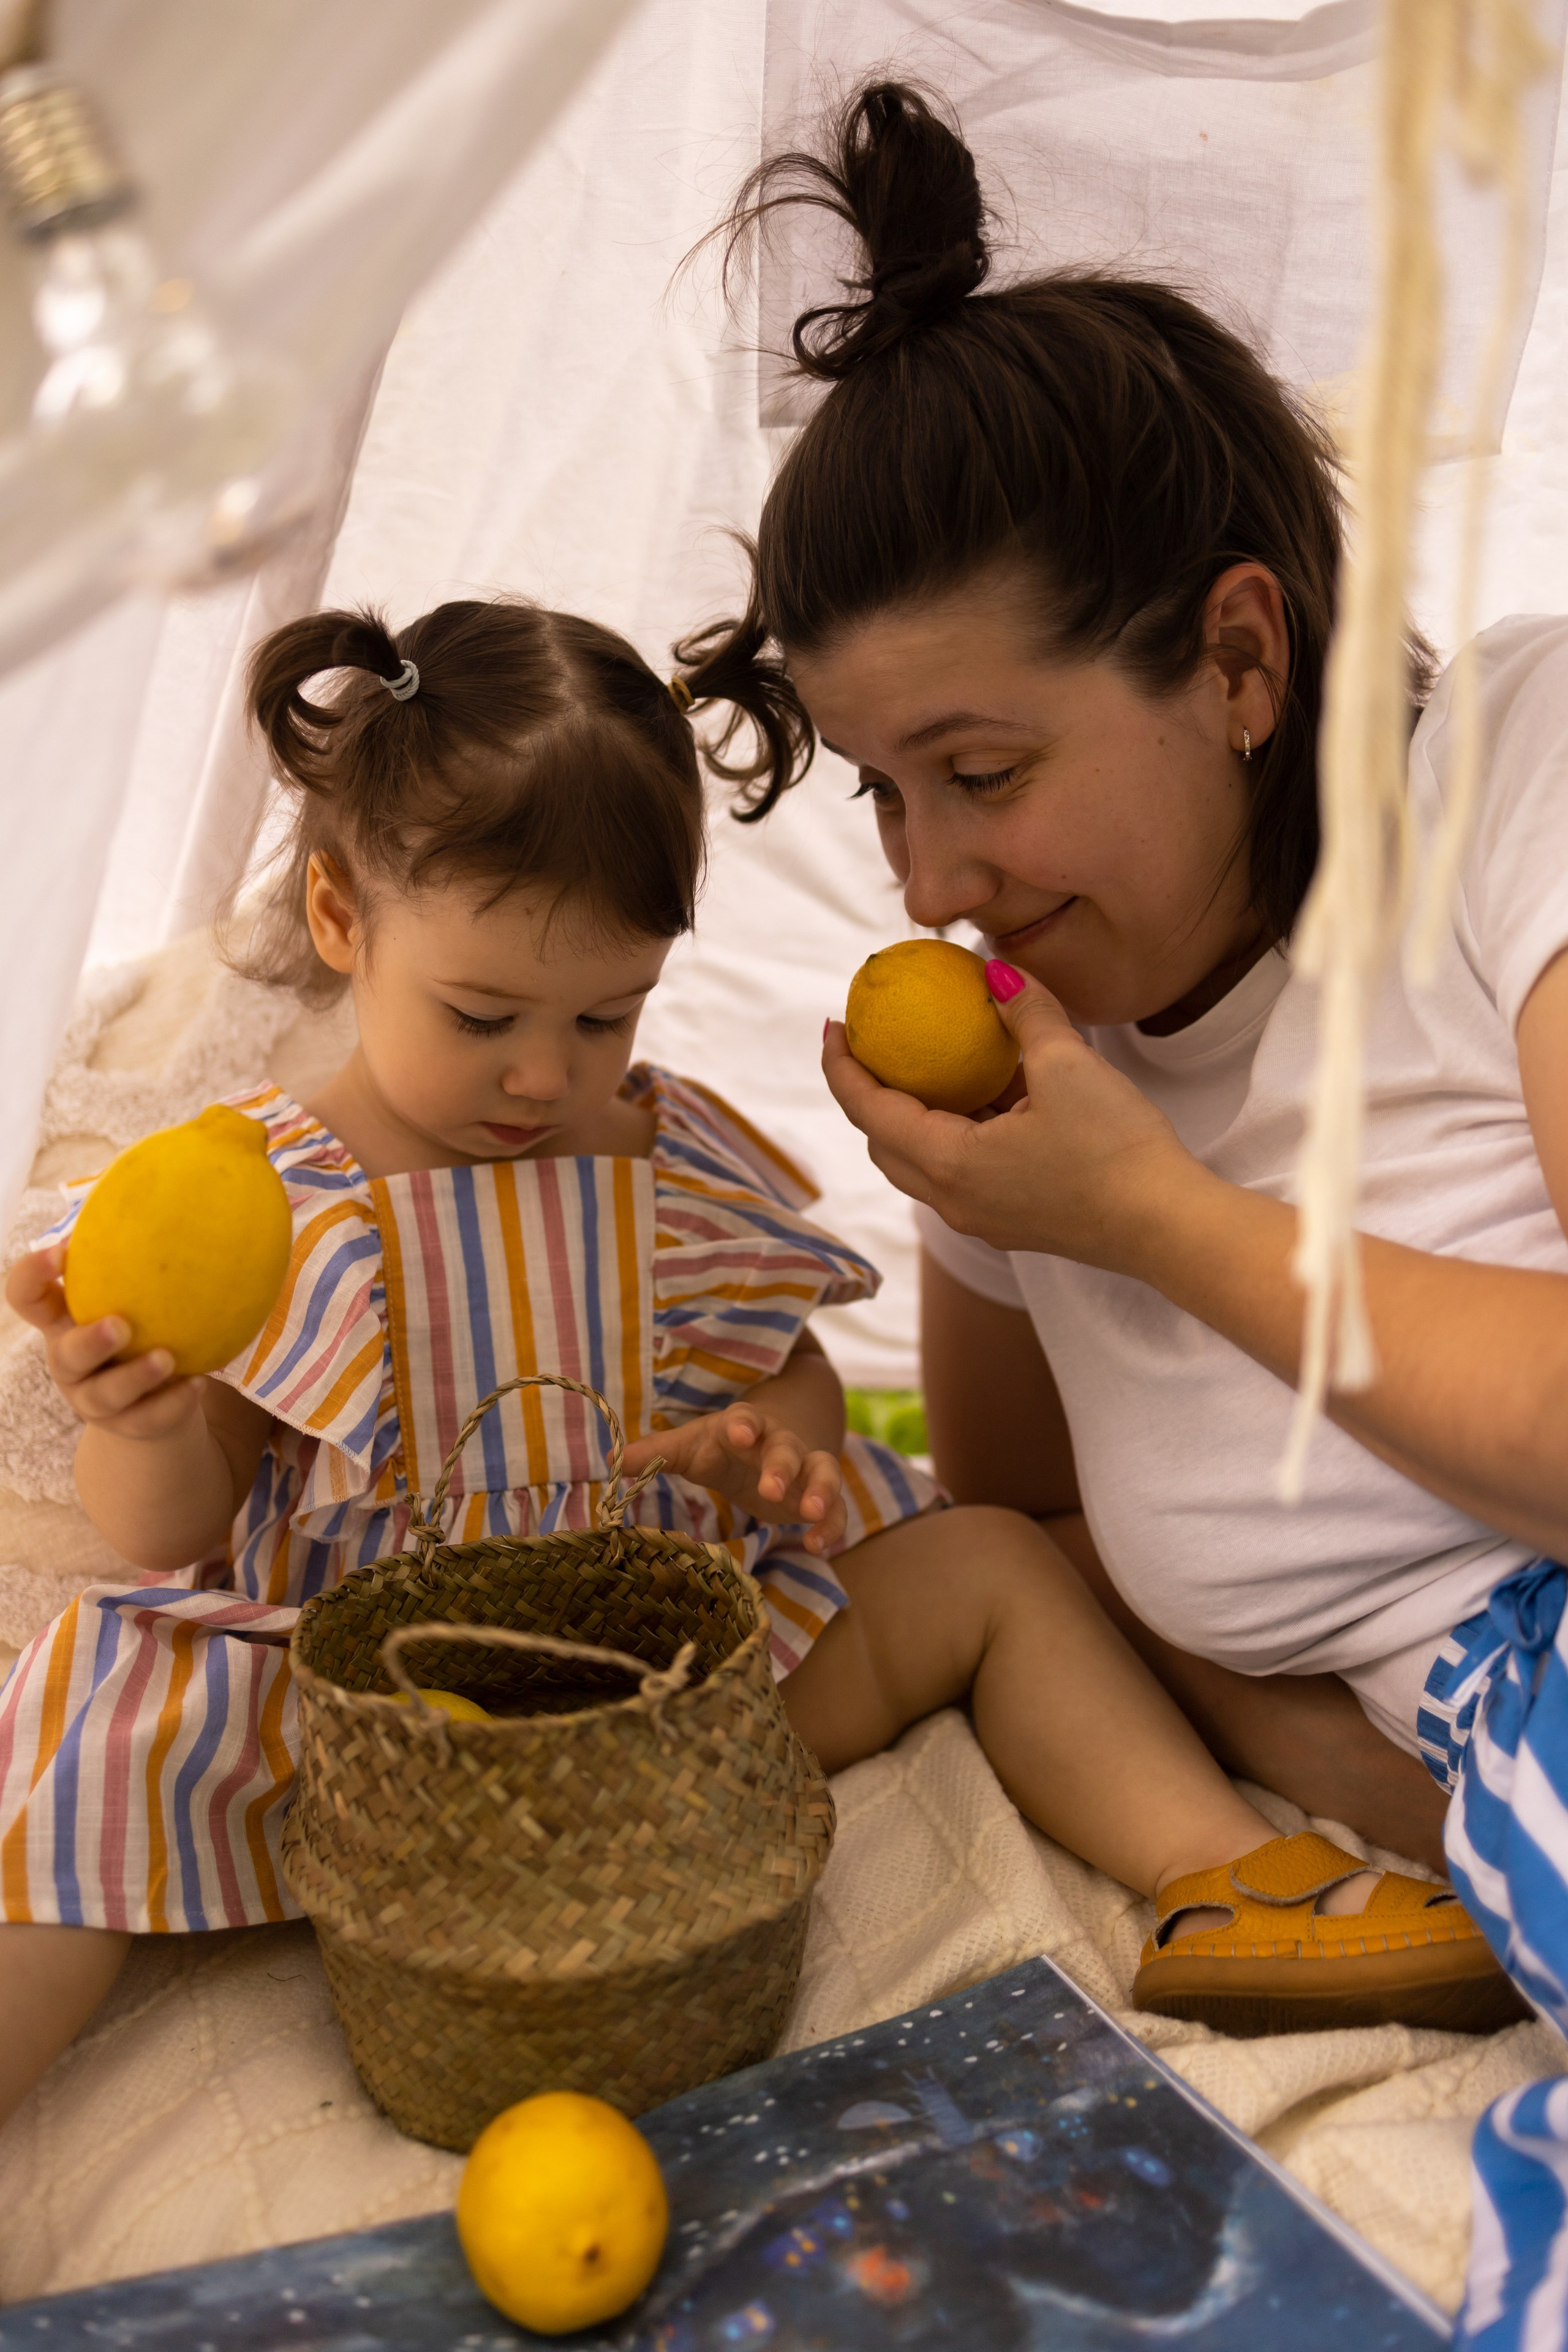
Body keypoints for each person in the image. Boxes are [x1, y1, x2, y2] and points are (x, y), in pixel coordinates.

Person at [0, 571, 1512, 2136]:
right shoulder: (264, 1196)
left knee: (993, 1565)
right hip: (379, 1743)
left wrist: (770, 1447)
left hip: (681, 1708)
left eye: (606, 1017)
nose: (540, 1075)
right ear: (338, 916)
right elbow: (172, 1531)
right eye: (480, 1014)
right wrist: (145, 1411)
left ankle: (1227, 1881)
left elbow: (771, 1369)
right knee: (110, 1727)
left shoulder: (658, 1162)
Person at [684, 79, 1568, 2349]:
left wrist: (1153, 1217)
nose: (931, 882)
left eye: (984, 774)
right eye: (887, 798)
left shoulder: (1517, 781)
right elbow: (1045, 1549)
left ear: (1245, 663)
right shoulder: (1043, 1095)